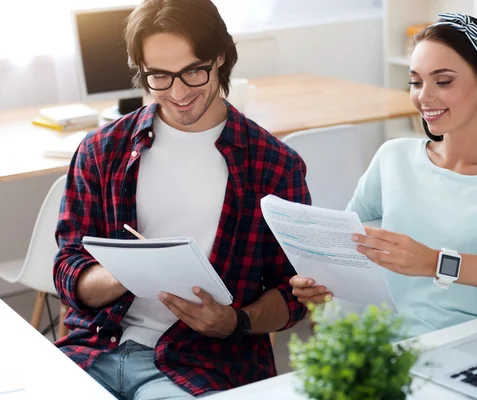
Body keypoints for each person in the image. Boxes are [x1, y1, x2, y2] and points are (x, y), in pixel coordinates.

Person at [53, 0, 310, 398]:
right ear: (142, 71)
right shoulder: (102, 149)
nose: (178, 92)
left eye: (193, 71)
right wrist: (126, 271)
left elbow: (292, 292)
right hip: (94, 349)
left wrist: (233, 321)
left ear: (220, 58)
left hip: (202, 364)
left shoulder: (274, 165)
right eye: (159, 76)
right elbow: (68, 268)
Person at [290, 13, 477, 338]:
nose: (424, 96)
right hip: (379, 349)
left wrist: (435, 263)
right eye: (416, 81)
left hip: (466, 346)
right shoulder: (392, 157)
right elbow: (344, 245)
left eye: (443, 81)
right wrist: (320, 280)